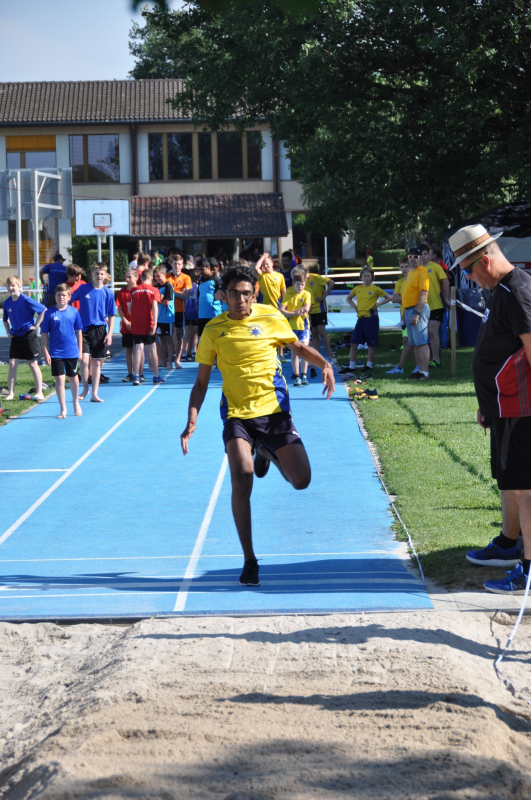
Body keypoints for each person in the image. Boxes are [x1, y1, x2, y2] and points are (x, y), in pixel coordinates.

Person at [180, 265, 335, 586]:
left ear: (255, 294)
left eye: (246, 294)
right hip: (237, 415)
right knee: (242, 477)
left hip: (275, 412)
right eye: (233, 293)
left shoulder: (271, 317)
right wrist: (191, 419)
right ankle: (249, 560)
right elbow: (201, 383)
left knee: (301, 480)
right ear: (223, 296)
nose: (240, 299)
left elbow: (297, 347)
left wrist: (325, 365)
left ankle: (265, 451)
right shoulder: (213, 330)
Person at [449, 224, 531, 594]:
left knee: (525, 489)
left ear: (484, 260)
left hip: (521, 409)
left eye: (468, 270)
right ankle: (510, 544)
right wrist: (487, 404)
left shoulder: (517, 290)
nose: (468, 278)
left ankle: (528, 570)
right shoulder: (501, 290)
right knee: (512, 482)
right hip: (503, 407)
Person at [70, 263, 115, 402]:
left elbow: (111, 314)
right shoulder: (83, 289)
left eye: (102, 273)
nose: (99, 276)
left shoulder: (108, 293)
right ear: (91, 274)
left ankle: (95, 393)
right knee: (84, 360)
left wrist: (110, 333)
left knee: (96, 363)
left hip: (100, 330)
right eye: (96, 273)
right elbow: (69, 300)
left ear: (105, 275)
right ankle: (85, 389)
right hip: (83, 330)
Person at [339, 267, 391, 378]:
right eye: (364, 276)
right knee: (353, 342)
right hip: (361, 318)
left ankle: (369, 365)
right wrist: (355, 307)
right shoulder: (357, 288)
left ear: (372, 277)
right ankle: (352, 366)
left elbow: (388, 297)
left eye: (368, 276)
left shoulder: (375, 289)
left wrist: (378, 304)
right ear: (361, 277)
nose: (366, 278)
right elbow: (349, 298)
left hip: (371, 318)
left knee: (371, 343)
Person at [41, 283, 83, 419]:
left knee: (73, 377)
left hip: (71, 351)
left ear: (69, 297)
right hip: (56, 352)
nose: (61, 297)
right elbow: (44, 334)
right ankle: (63, 408)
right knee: (59, 379)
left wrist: (80, 350)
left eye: (64, 295)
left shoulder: (74, 312)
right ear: (55, 296)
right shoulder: (49, 313)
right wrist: (45, 352)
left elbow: (79, 332)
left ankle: (75, 402)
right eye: (59, 295)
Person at [2, 276, 46, 401]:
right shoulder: (7, 303)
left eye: (13, 285)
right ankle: (11, 393)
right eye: (8, 286)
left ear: (19, 286)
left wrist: (36, 325)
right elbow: (5, 319)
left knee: (32, 364)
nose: (11, 288)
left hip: (28, 336)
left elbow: (43, 310)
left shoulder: (26, 300)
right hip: (16, 337)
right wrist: (8, 331)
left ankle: (39, 392)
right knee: (12, 363)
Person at [129, 268, 164, 386]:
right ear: (151, 278)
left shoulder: (134, 290)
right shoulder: (154, 290)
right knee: (152, 348)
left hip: (137, 323)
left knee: (138, 349)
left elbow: (130, 307)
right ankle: (156, 376)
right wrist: (155, 324)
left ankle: (136, 376)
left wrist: (134, 317)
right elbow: (154, 307)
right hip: (149, 323)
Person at [401, 247, 430, 380]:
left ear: (421, 258)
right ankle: (419, 369)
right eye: (410, 257)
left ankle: (425, 372)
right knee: (414, 343)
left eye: (416, 257)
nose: (412, 259)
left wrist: (417, 313)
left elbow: (424, 293)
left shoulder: (422, 271)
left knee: (422, 342)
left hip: (417, 310)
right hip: (409, 310)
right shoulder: (411, 273)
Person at [419, 245, 450, 368]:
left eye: (425, 254)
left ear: (429, 255)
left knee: (433, 331)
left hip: (436, 305)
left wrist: (446, 298)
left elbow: (445, 281)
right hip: (422, 306)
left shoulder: (436, 267)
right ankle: (429, 358)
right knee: (427, 333)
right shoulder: (417, 269)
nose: (423, 256)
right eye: (421, 254)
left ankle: (436, 359)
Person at [280, 267, 312, 385]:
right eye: (298, 284)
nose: (301, 287)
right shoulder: (289, 293)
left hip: (303, 326)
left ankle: (304, 375)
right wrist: (294, 313)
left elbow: (306, 308)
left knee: (304, 349)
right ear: (293, 283)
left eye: (303, 284)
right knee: (294, 352)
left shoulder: (307, 294)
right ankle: (297, 375)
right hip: (291, 327)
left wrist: (300, 311)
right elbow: (282, 310)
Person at [306, 269, 335, 373]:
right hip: (310, 310)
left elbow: (331, 282)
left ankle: (330, 356)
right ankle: (318, 358)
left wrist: (324, 296)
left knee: (322, 332)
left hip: (320, 309)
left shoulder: (316, 277)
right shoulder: (301, 281)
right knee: (314, 333)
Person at [166, 253, 192, 368]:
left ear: (182, 265)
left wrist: (172, 292)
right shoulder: (167, 277)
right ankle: (168, 360)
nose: (177, 266)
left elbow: (186, 295)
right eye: (175, 264)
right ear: (171, 264)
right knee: (169, 336)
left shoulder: (186, 278)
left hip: (180, 310)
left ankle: (177, 359)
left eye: (179, 264)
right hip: (168, 310)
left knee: (179, 335)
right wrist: (179, 293)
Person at [386, 258, 412, 374]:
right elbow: (394, 299)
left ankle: (401, 367)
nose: (404, 269)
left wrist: (403, 298)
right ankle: (418, 366)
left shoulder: (413, 280)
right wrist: (406, 298)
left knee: (407, 341)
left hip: (412, 314)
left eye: (406, 267)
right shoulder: (399, 282)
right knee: (408, 342)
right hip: (403, 315)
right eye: (402, 267)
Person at [115, 268, 138, 382]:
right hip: (126, 326)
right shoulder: (122, 292)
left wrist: (135, 321)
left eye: (130, 277)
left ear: (136, 278)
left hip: (138, 325)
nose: (127, 279)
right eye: (126, 277)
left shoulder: (139, 291)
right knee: (128, 350)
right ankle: (130, 373)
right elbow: (119, 308)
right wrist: (126, 321)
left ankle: (139, 373)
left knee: (138, 349)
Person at [153, 266, 175, 369]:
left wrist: (158, 299)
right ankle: (162, 360)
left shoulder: (168, 286)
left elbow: (167, 302)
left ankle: (170, 362)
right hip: (158, 317)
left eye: (158, 276)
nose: (157, 278)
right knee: (159, 339)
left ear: (164, 275)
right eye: (155, 276)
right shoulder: (156, 287)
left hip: (167, 317)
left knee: (168, 339)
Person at [197, 258, 222, 337]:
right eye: (198, 269)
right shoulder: (200, 281)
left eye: (202, 269)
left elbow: (222, 296)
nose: (200, 272)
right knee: (202, 338)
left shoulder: (216, 280)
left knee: (214, 337)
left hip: (214, 315)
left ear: (208, 268)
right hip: (202, 315)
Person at [183, 268, 199, 361]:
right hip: (195, 312)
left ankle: (186, 352)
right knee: (194, 332)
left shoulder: (187, 287)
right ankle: (194, 350)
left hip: (187, 311)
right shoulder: (198, 287)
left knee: (187, 333)